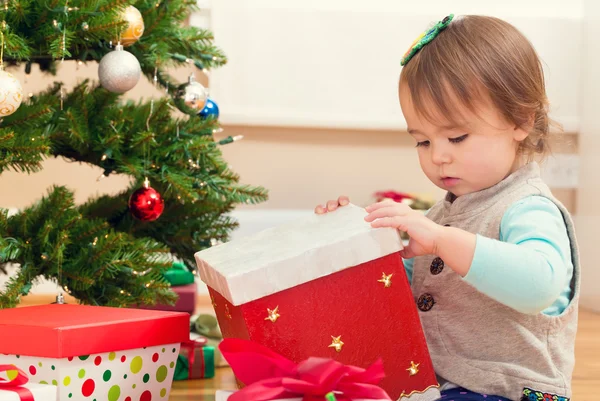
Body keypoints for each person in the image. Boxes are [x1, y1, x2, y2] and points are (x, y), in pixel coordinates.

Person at [315, 15, 578, 401]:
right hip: (439, 385)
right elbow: (394, 300)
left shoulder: (528, 207)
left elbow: (540, 285)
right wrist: (355, 245)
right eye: (422, 141)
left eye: (456, 137)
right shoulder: (441, 215)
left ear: (521, 120)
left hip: (508, 390)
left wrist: (440, 240)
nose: (438, 156)